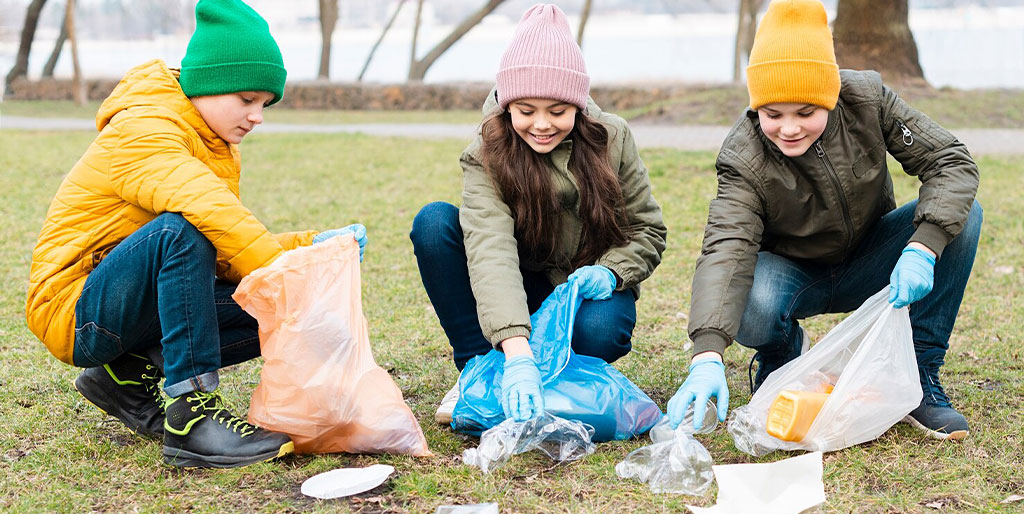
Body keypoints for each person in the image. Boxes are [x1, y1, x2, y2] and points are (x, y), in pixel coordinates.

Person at [25, 0, 367, 468]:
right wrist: (280, 269)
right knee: (181, 230)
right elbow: (206, 218)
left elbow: (222, 252)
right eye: (247, 100)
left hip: (126, 302)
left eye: (265, 104)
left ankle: (123, 377)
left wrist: (310, 248)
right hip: (76, 309)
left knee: (281, 302)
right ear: (208, 83)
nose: (257, 116)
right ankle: (192, 418)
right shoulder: (145, 127)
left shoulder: (210, 142)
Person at [668, 0, 981, 440]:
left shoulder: (867, 99)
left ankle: (920, 372)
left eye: (806, 112)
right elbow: (726, 250)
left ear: (830, 97)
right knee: (752, 302)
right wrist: (706, 356)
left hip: (874, 260)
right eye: (773, 114)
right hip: (794, 277)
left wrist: (922, 247)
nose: (789, 128)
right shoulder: (742, 156)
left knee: (962, 218)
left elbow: (950, 162)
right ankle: (782, 354)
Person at [410, 3, 667, 425]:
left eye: (557, 111)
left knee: (601, 330)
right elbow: (490, 249)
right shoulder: (485, 152)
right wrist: (516, 351)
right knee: (434, 223)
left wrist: (612, 271)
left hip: (585, 288)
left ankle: (565, 373)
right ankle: (480, 370)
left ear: (578, 105)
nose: (541, 124)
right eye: (526, 110)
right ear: (507, 105)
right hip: (518, 284)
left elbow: (647, 230)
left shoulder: (613, 137)